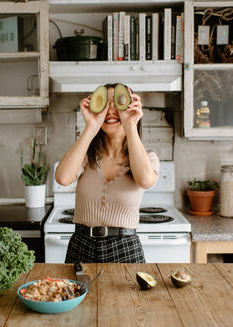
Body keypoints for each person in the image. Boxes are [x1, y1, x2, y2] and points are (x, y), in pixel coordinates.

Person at [55, 83, 160, 263]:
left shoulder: (148, 158)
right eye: (104, 105)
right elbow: (63, 178)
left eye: (118, 103)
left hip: (125, 246)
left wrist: (130, 123)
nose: (111, 110)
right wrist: (91, 126)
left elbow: (145, 180)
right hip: (81, 244)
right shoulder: (86, 156)